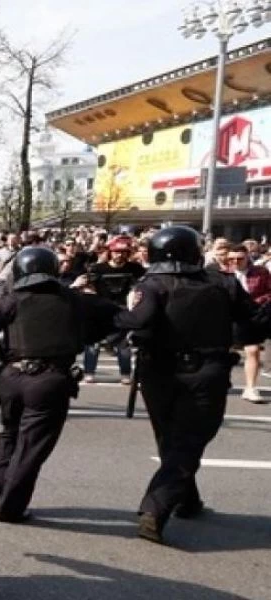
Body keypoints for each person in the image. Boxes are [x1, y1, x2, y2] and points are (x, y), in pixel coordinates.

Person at [114, 226, 266, 544]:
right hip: (204, 371)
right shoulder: (222, 283)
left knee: (173, 438)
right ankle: (156, 508)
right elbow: (252, 322)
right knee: (188, 441)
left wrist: (108, 319)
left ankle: (187, 499)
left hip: (159, 372)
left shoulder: (152, 283)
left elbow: (138, 322)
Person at [0, 247, 120, 522]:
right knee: (31, 446)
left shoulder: (11, 300)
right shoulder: (74, 300)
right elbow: (122, 317)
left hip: (11, 377)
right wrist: (87, 334)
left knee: (10, 432)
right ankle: (9, 505)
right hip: (49, 379)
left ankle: (1, 487)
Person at [83, 236, 144, 384]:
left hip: (122, 309)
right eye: (117, 252)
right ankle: (89, 372)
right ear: (110, 252)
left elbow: (144, 283)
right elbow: (87, 285)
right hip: (100, 309)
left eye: (123, 252)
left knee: (123, 344)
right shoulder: (98, 269)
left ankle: (125, 373)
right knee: (93, 343)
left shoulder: (134, 269)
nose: (120, 255)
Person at [221, 245, 271, 404]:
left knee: (253, 350)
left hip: (251, 315)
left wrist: (258, 303)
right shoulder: (220, 274)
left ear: (248, 257)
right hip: (226, 316)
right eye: (231, 259)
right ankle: (221, 381)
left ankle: (250, 388)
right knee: (223, 351)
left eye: (240, 258)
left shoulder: (260, 272)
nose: (235, 262)